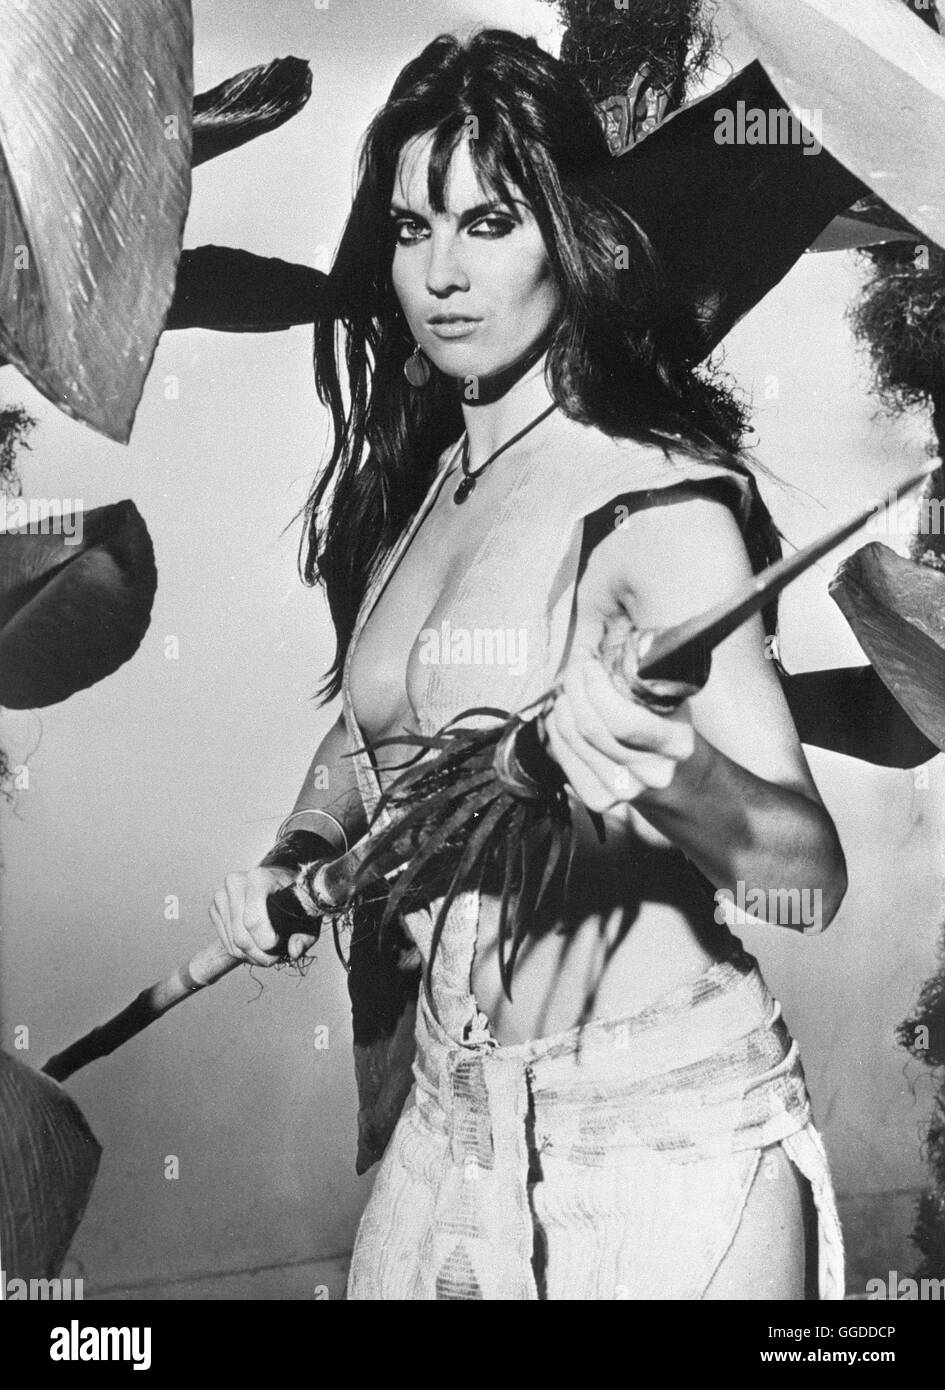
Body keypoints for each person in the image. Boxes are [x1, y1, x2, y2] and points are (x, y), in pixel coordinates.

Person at [209, 29, 848, 1301]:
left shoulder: (655, 503)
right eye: (412, 229)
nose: (441, 274)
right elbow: (377, 729)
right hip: (450, 1123)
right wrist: (298, 848)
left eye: (489, 224)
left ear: (569, 231)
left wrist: (677, 770)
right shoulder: (425, 489)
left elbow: (808, 879)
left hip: (660, 1142)